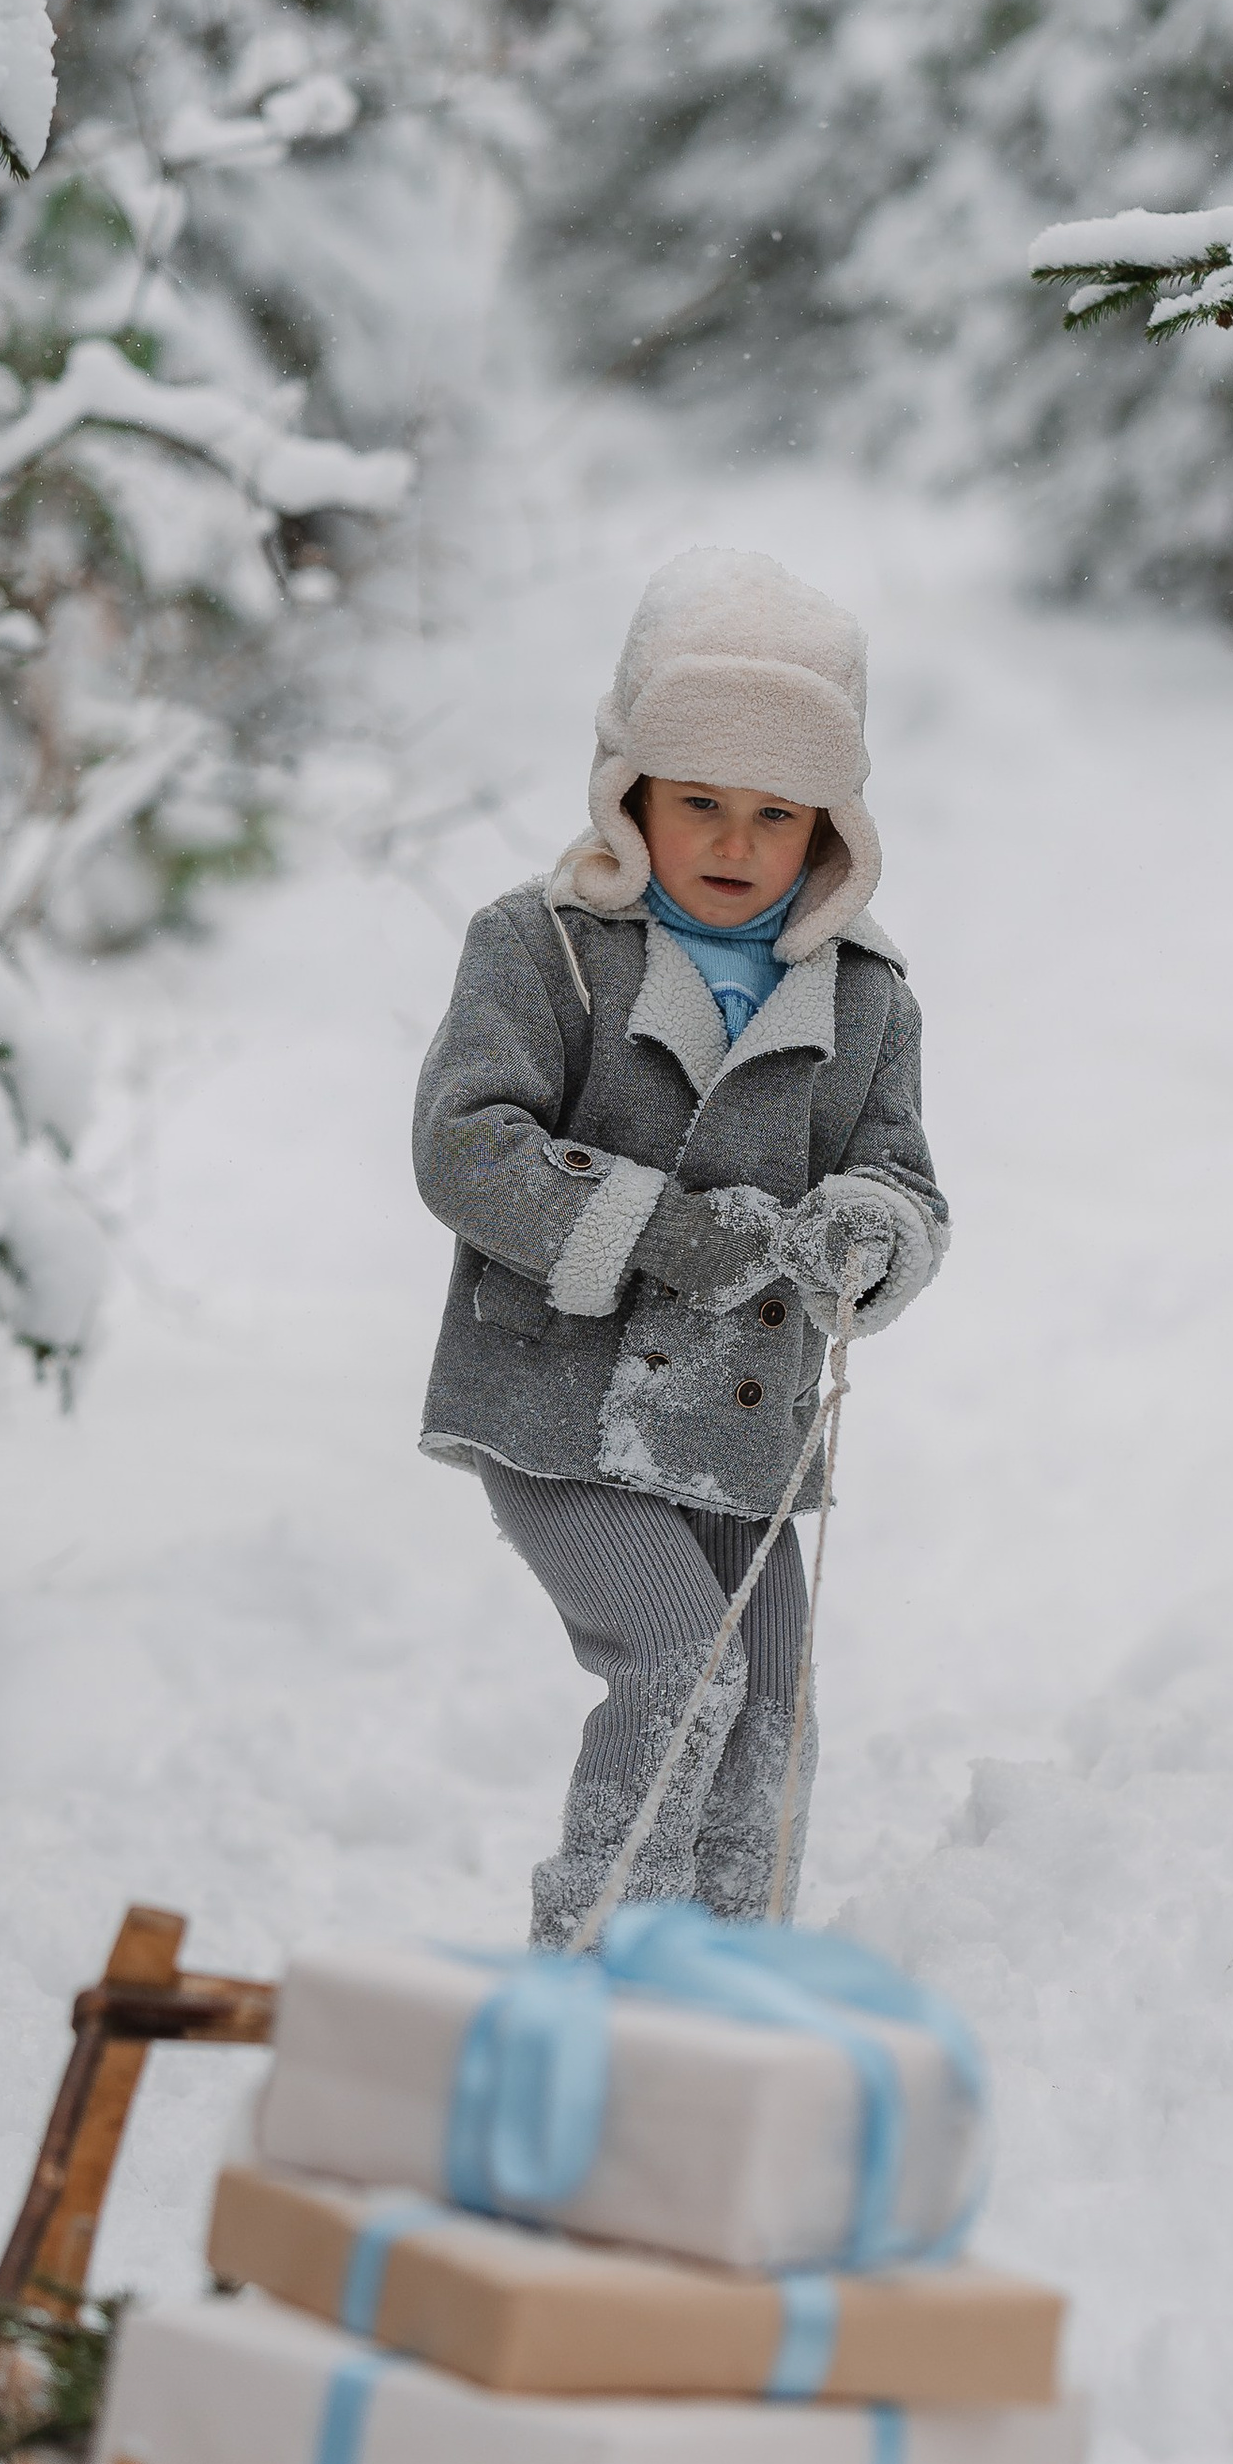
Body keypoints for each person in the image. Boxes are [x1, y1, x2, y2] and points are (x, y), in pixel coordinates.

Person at [411, 546, 949, 1947]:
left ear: (828, 828)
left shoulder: (865, 996)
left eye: (776, 814)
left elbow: (900, 1175)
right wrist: (651, 1224)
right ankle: (599, 1956)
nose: (732, 841)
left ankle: (727, 1964)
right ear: (629, 787)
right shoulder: (547, 948)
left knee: (769, 1699)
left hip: (739, 1429)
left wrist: (870, 1233)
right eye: (699, 799)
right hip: (558, 1408)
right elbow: (465, 1142)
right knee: (675, 1664)